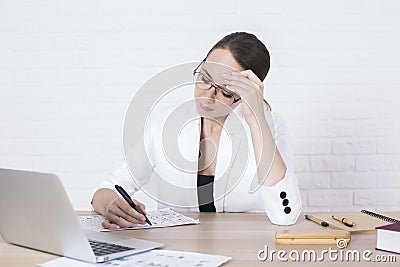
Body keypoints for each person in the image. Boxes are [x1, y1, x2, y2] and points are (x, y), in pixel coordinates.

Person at [91, 32, 302, 229]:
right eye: (204, 79)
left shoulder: (271, 127)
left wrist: (256, 122)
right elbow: (108, 187)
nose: (207, 96)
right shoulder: (164, 122)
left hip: (244, 248)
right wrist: (109, 203)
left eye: (226, 92)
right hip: (178, 249)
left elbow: (286, 215)